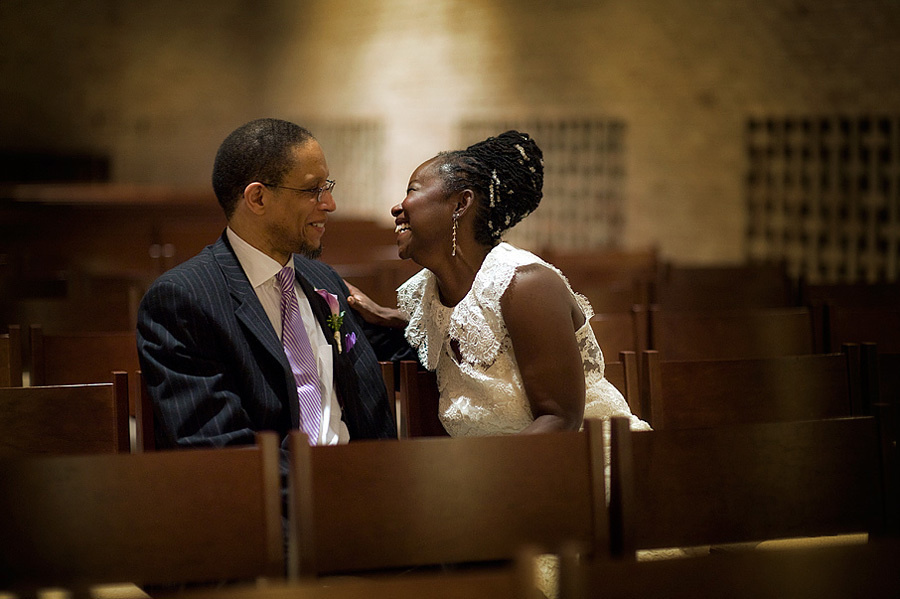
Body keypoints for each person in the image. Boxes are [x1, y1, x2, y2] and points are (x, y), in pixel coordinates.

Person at [348, 131, 653, 598]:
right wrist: (389, 318)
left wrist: (472, 489)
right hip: (504, 485)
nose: (398, 206)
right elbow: (454, 326)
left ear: (460, 203)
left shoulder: (526, 284)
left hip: (587, 481)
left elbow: (562, 418)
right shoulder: (429, 292)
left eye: (412, 189)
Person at [137, 118, 397, 458]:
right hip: (276, 502)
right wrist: (328, 498)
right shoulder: (182, 300)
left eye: (327, 186)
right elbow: (222, 450)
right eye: (312, 190)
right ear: (258, 198)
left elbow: (409, 360)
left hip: (368, 484)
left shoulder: (323, 281)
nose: (330, 204)